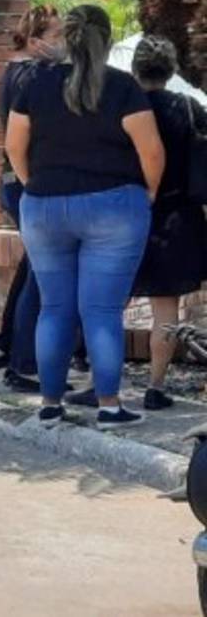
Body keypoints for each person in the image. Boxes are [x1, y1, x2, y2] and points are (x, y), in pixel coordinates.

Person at [5, 4, 165, 430]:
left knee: (54, 307)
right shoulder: (122, 86)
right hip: (114, 206)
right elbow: (151, 150)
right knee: (102, 310)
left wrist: (35, 184)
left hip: (45, 206)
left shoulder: (36, 85)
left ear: (65, 37)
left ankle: (50, 404)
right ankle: (109, 405)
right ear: (107, 40)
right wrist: (148, 192)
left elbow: (14, 146)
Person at [0, 7, 67, 394]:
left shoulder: (15, 71)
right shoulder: (32, 76)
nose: (62, 43)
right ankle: (23, 364)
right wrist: (35, 185)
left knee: (31, 266)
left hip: (16, 181)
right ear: (35, 40)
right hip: (27, 181)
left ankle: (7, 344)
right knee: (41, 273)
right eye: (57, 35)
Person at [125, 37, 207, 410]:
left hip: (128, 214)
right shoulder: (188, 109)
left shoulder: (125, 108)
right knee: (166, 310)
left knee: (108, 303)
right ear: (172, 69)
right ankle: (156, 387)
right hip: (178, 218)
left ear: (135, 68)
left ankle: (98, 382)